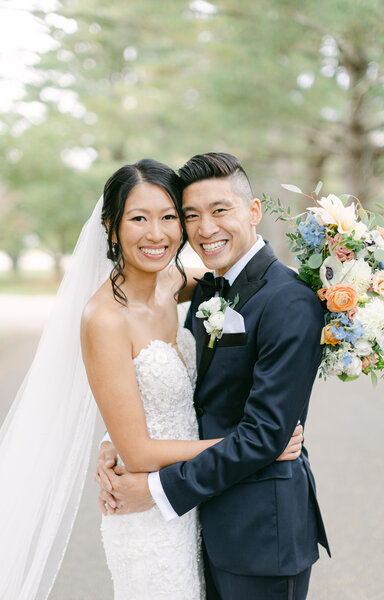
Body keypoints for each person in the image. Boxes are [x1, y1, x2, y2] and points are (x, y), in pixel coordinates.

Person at [97, 152, 330, 600]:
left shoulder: (289, 302)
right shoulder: (210, 287)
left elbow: (264, 437)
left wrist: (154, 488)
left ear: (254, 211)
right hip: (203, 523)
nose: (206, 228)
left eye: (220, 210)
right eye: (191, 216)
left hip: (261, 534)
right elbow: (192, 396)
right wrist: (122, 440)